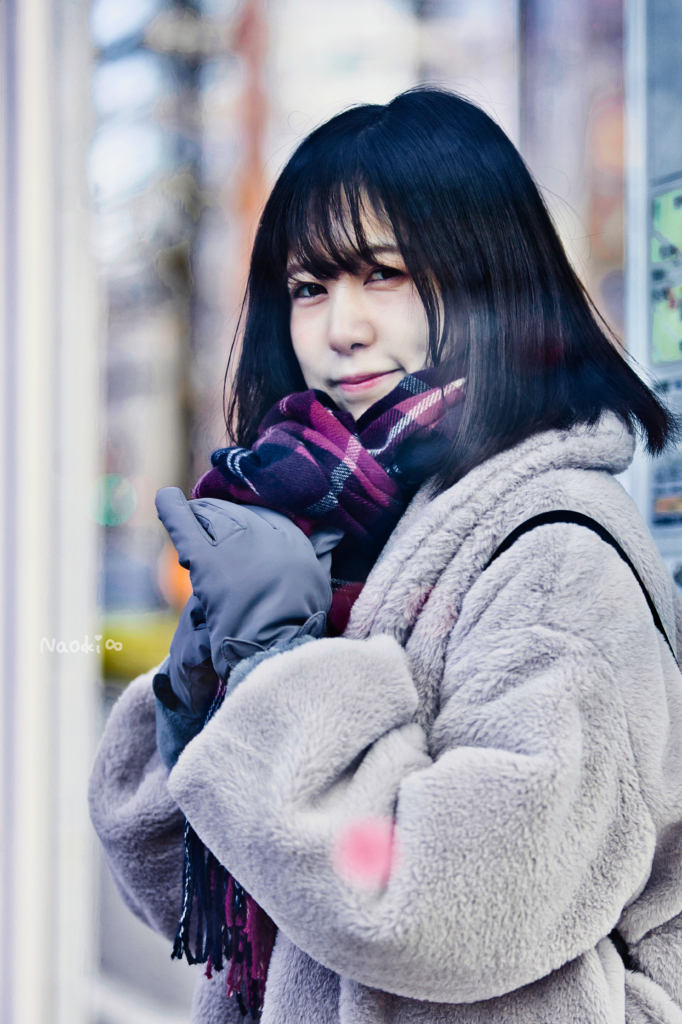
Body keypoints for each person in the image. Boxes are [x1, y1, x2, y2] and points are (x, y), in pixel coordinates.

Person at [89, 89, 682, 1024]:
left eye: (384, 275)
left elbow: (446, 902)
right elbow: (198, 910)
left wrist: (278, 663)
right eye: (309, 288)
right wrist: (198, 690)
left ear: (486, 277)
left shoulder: (557, 551)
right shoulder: (335, 526)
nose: (342, 327)